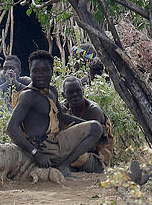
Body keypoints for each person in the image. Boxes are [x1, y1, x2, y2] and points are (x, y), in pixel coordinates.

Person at [6, 50, 103, 178]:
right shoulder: (28, 95)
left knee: (96, 128)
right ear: (30, 71)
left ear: (52, 71)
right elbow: (11, 128)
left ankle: (64, 165)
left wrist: (87, 125)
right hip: (43, 148)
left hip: (56, 141)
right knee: (92, 146)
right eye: (36, 71)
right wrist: (35, 153)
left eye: (45, 70)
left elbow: (61, 117)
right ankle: (63, 165)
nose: (40, 75)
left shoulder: (51, 90)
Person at [60, 77, 114, 173]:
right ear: (63, 95)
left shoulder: (93, 111)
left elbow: (91, 145)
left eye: (78, 91)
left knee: (77, 157)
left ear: (83, 91)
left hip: (95, 158)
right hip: (71, 153)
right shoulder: (63, 109)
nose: (75, 95)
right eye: (70, 92)